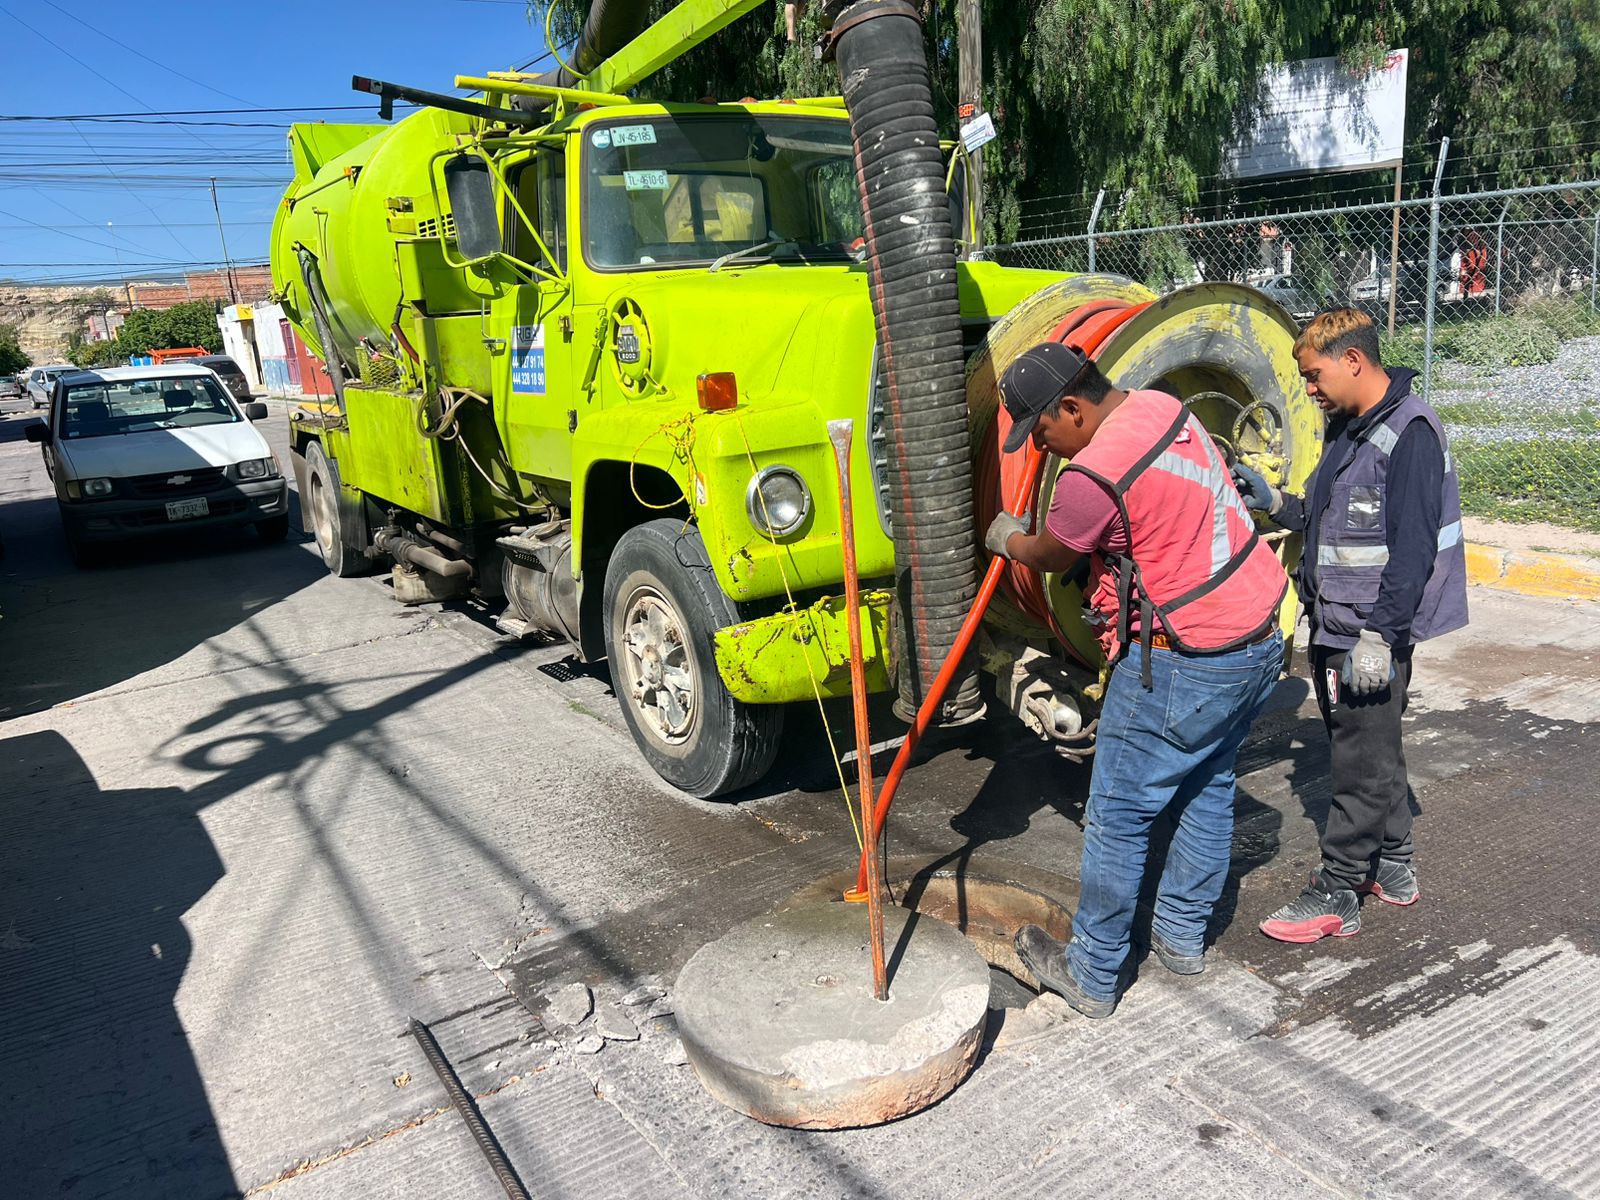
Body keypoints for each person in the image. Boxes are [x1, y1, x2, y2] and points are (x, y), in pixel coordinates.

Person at [986, 342, 1288, 1018]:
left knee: (1119, 815)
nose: (1041, 446)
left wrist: (1009, 539)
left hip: (1186, 657)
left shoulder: (1090, 476)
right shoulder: (1163, 407)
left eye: (1041, 430)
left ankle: (1092, 973)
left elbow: (1053, 552)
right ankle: (1181, 937)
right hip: (1259, 634)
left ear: (1072, 407)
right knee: (1207, 784)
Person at [1232, 308, 1468, 944]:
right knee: (1374, 746)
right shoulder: (1348, 427)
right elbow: (1324, 512)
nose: (1309, 389)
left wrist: (1380, 639)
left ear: (1354, 361)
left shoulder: (1411, 433)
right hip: (1337, 622)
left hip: (1368, 633)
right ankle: (1392, 863)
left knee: (1358, 763)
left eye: (1314, 375)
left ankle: (1339, 888)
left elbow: (1413, 551)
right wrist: (1275, 503)